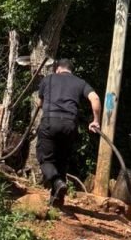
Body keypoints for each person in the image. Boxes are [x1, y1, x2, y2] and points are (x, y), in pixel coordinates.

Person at [37, 59, 101, 207]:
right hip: (69, 124)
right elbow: (95, 98)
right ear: (71, 70)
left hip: (50, 121)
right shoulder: (80, 82)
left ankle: (57, 182)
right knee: (62, 160)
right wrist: (96, 120)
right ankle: (57, 200)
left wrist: (42, 104)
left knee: (45, 159)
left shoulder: (48, 79)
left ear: (58, 69)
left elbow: (40, 103)